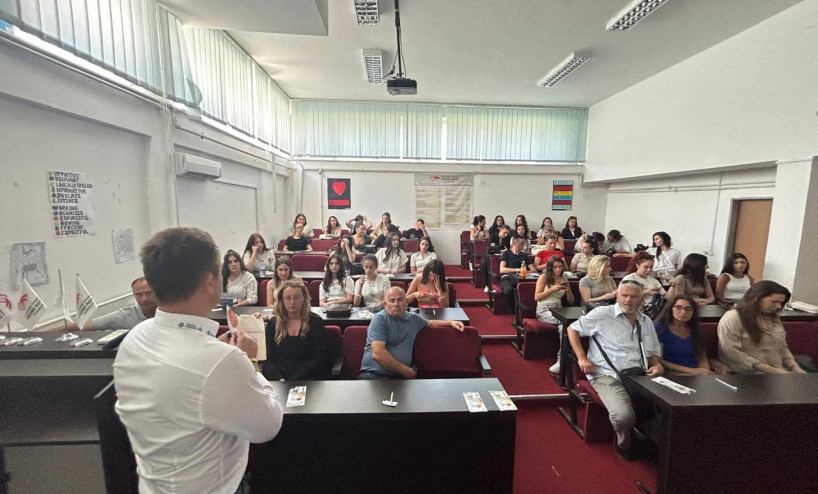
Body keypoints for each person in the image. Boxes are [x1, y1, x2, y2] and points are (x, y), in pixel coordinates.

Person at [114, 227, 282, 493]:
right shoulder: (221, 362)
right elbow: (268, 426)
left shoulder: (134, 340)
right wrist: (249, 360)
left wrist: (217, 352)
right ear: (210, 282)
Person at [567, 281, 663, 461]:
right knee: (623, 416)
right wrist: (582, 357)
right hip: (607, 375)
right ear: (616, 296)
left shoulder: (646, 321)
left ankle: (651, 438)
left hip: (640, 376)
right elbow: (572, 329)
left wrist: (657, 365)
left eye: (633, 296)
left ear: (641, 299)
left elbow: (653, 353)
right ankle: (624, 442)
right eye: (624, 295)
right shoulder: (602, 314)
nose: (628, 300)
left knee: (669, 407)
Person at [358, 286, 465, 379]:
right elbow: (378, 354)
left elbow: (430, 322)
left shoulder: (413, 319)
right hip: (373, 375)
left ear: (407, 302)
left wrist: (451, 322)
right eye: (392, 301)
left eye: (400, 300)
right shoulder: (379, 319)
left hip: (399, 379)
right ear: (385, 304)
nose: (396, 304)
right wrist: (405, 370)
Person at [717, 281, 805, 374]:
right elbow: (731, 353)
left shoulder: (772, 318)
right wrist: (773, 371)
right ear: (757, 298)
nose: (779, 306)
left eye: (781, 303)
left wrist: (795, 367)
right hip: (747, 372)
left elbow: (782, 348)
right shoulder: (733, 317)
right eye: (774, 302)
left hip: (777, 369)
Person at [262, 280, 329, 381]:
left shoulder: (315, 322)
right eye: (288, 298)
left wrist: (295, 378)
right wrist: (278, 378)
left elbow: (319, 358)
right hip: (279, 380)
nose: (292, 302)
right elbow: (268, 358)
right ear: (281, 300)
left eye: (297, 297)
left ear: (304, 298)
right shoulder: (273, 323)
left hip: (309, 378)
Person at [54, 277, 158, 332]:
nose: (144, 299)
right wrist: (41, 334)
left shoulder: (171, 310)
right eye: (139, 295)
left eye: (148, 293)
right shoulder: (125, 315)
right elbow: (85, 325)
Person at [654, 295, 715, 376]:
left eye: (688, 309)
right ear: (670, 308)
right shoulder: (659, 328)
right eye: (678, 307)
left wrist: (706, 372)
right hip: (671, 373)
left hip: (696, 374)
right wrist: (691, 371)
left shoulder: (695, 330)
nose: (683, 312)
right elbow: (659, 360)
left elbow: (702, 358)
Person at [535, 256, 574, 374]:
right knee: (566, 323)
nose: (558, 270)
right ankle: (561, 360)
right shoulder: (544, 277)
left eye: (560, 267)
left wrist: (568, 290)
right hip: (544, 309)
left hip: (559, 309)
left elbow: (571, 301)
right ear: (550, 268)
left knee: (565, 328)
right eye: (555, 267)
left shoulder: (564, 278)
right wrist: (553, 290)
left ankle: (561, 360)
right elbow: (537, 297)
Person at [499, 235, 535, 312]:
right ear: (515, 243)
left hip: (521, 278)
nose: (523, 245)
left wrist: (525, 271)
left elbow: (533, 270)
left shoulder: (524, 255)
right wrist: (517, 269)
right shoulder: (506, 254)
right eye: (521, 243)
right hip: (507, 278)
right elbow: (502, 269)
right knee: (508, 290)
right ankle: (515, 311)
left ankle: (528, 310)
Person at [482, 224, 512, 292]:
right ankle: (487, 284)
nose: (506, 235)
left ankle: (500, 283)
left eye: (507, 233)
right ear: (500, 230)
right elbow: (489, 248)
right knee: (484, 263)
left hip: (502, 256)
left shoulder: (508, 238)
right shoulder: (492, 236)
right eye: (504, 232)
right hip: (490, 255)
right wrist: (500, 250)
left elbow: (508, 248)